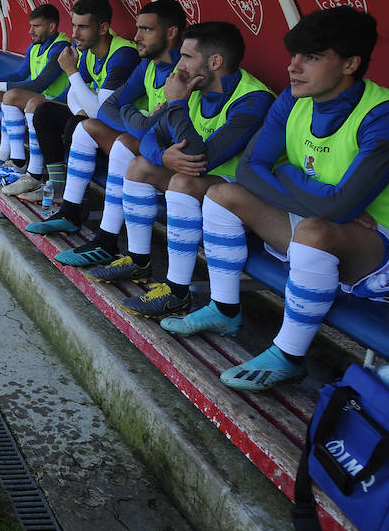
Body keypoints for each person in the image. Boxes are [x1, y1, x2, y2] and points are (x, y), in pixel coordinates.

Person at [164, 6, 389, 392]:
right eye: (293, 55)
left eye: (311, 57)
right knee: (223, 193)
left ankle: (290, 356)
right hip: (327, 225)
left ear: (350, 64)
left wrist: (289, 177)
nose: (294, 67)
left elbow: (337, 208)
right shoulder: (293, 99)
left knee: (314, 231)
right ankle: (225, 309)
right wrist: (317, 195)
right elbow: (249, 171)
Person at [85, 22, 273, 318]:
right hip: (201, 182)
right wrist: (162, 156)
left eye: (186, 56)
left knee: (182, 182)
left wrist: (176, 104)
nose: (178, 63)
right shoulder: (194, 86)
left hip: (238, 194)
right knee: (140, 165)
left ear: (215, 62)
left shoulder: (253, 99)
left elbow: (202, 159)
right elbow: (148, 135)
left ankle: (177, 292)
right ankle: (138, 260)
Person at [30, 0, 186, 270]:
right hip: (148, 143)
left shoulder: (180, 72)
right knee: (84, 126)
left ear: (171, 33)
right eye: (137, 28)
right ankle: (70, 210)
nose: (136, 36)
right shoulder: (147, 65)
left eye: (146, 29)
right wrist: (144, 122)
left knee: (122, 143)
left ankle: (108, 241)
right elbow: (106, 110)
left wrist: (141, 125)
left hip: (173, 160)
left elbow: (109, 109)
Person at [19, 0, 138, 203]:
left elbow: (103, 111)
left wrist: (70, 71)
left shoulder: (123, 54)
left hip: (123, 130)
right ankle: (57, 186)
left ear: (103, 28)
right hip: (97, 120)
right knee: (44, 111)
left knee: (76, 124)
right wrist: (81, 109)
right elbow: (75, 93)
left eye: (82, 27)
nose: (74, 34)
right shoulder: (89, 52)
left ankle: (76, 201)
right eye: (74, 25)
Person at [0, 4, 73, 199]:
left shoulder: (61, 47)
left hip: (58, 103)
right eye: (31, 26)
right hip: (41, 99)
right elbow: (21, 73)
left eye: (36, 26)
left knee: (11, 96)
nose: (31, 31)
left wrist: (2, 86)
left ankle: (22, 165)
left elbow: (40, 83)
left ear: (52, 27)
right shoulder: (35, 46)